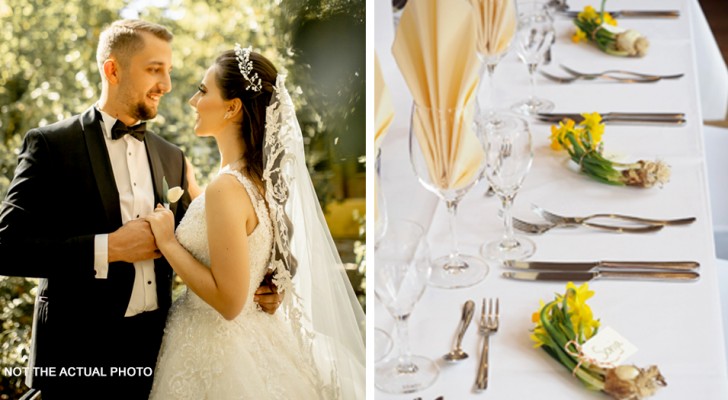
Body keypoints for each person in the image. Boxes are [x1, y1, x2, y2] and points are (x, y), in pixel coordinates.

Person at [0, 20, 279, 399]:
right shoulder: (51, 146)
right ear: (112, 69)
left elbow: (210, 243)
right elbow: (7, 247)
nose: (165, 84)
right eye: (154, 70)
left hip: (160, 356)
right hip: (77, 358)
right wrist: (109, 248)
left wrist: (261, 281)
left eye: (168, 71)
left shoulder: (172, 157)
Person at [144, 45, 365, 399]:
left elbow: (230, 303)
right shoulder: (258, 181)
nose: (192, 100)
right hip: (255, 336)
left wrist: (168, 243)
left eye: (202, 91)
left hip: (218, 348)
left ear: (232, 107)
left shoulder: (227, 188)